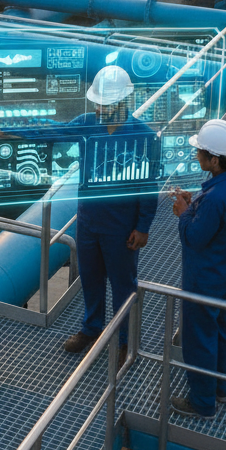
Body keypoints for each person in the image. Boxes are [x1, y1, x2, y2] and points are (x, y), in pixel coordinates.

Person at [63, 66, 158, 365]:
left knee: (123, 284)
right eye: (98, 102)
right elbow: (51, 132)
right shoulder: (86, 124)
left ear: (122, 103)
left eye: (105, 103)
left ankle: (125, 341)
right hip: (89, 223)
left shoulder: (144, 137)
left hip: (121, 228)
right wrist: (5, 131)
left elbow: (148, 186)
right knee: (90, 278)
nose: (99, 108)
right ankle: (91, 328)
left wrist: (142, 226)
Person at [170, 119, 226, 419]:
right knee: (219, 329)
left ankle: (202, 403)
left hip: (203, 279)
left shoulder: (216, 198)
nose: (197, 155)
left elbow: (194, 237)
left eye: (201, 152)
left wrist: (183, 213)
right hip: (225, 274)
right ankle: (220, 388)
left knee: (199, 338)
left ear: (214, 160)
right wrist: (195, 207)